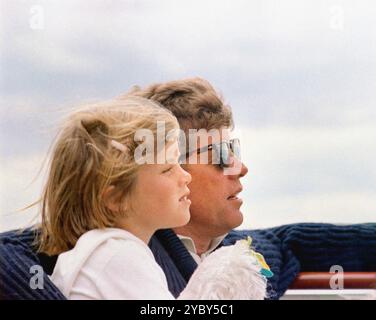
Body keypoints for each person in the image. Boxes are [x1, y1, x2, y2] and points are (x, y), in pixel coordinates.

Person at [24, 97, 269, 300]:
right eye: (167, 168)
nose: (185, 177)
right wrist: (227, 273)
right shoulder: (118, 256)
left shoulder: (111, 252)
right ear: (116, 198)